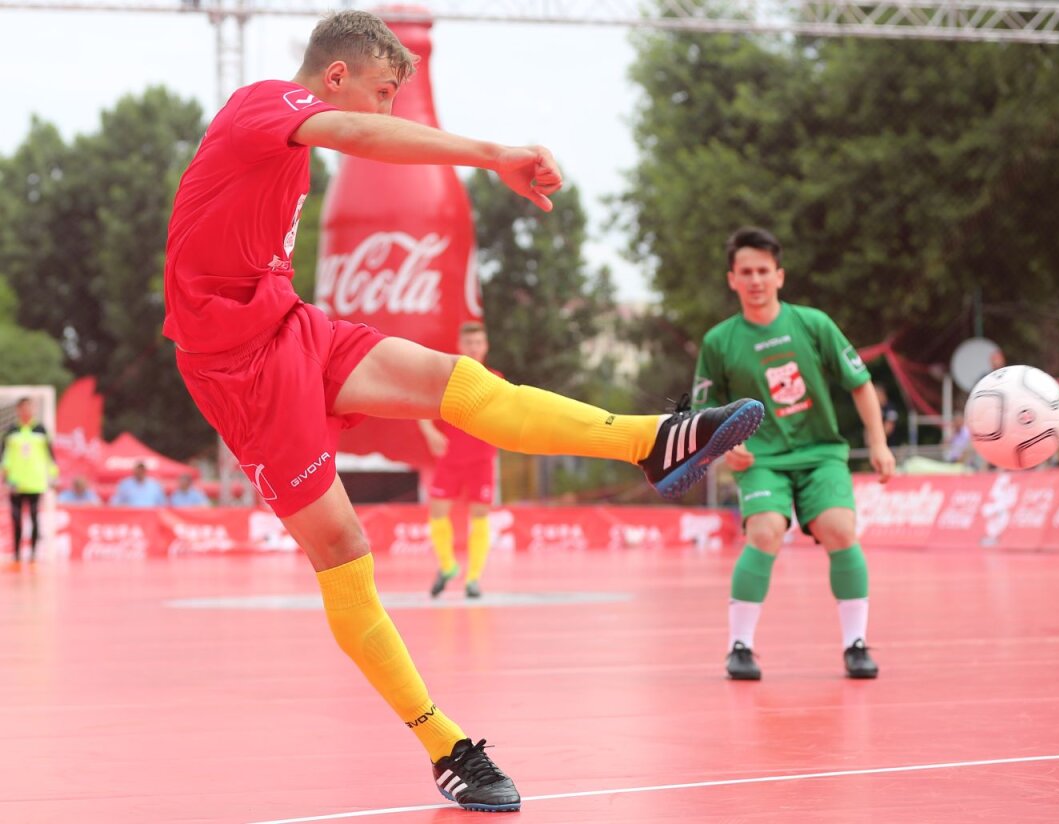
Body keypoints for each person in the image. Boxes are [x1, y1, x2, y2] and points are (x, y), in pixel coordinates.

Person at [161, 11, 763, 813]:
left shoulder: (290, 137)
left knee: (460, 379)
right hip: (237, 367)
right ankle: (444, 745)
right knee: (342, 546)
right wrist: (492, 154)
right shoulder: (263, 105)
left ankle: (650, 443)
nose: (384, 113)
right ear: (335, 79)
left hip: (288, 323)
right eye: (382, 94)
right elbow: (366, 139)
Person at [691, 226, 895, 683]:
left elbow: (860, 384)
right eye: (746, 272)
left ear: (779, 276)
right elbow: (704, 413)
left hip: (821, 453)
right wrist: (726, 448)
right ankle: (739, 648)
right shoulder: (718, 342)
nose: (756, 279)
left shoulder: (814, 324)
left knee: (840, 528)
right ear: (733, 280)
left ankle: (855, 645)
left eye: (764, 271)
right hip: (761, 458)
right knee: (765, 532)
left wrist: (878, 443)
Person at [419, 322, 500, 599]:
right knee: (437, 513)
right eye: (470, 343)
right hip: (451, 458)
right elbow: (420, 403)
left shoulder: (495, 379)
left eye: (479, 343)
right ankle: (447, 566)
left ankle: (473, 579)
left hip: (482, 460)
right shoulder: (449, 377)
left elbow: (510, 415)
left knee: (479, 516)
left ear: (486, 346)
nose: (475, 348)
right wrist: (429, 431)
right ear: (460, 347)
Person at [1, 397, 58, 560]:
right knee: (16, 518)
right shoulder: (11, 430)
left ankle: (33, 553)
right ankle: (17, 554)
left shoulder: (40, 429)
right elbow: (4, 457)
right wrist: (4, 479)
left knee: (34, 517)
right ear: (18, 410)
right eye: (23, 408)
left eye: (29, 407)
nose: (26, 411)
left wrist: (53, 477)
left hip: (35, 481)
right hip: (15, 482)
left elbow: (50, 456)